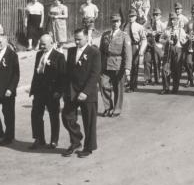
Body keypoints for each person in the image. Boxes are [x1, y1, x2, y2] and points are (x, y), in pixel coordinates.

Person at [61, 28, 101, 158]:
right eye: (75, 39)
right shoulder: (71, 51)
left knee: (89, 121)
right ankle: (76, 140)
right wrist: (65, 90)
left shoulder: (94, 52)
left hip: (87, 92)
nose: (77, 42)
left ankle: (88, 147)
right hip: (72, 90)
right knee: (67, 116)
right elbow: (68, 72)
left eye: (79, 39)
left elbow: (95, 74)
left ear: (86, 38)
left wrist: (85, 92)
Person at [29, 34, 66, 149]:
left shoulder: (59, 56)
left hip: (52, 92)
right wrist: (33, 89)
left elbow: (62, 76)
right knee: (36, 115)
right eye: (40, 43)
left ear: (51, 43)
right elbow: (36, 73)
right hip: (39, 91)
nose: (42, 46)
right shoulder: (39, 54)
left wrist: (59, 91)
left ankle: (54, 140)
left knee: (53, 116)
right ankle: (39, 138)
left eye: (44, 44)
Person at [99, 14, 132, 117]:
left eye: (117, 21)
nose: (115, 23)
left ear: (120, 23)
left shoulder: (124, 36)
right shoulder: (105, 34)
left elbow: (128, 53)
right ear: (111, 22)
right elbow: (100, 51)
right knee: (103, 85)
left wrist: (127, 68)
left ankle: (117, 109)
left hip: (118, 65)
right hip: (105, 64)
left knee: (118, 88)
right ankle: (108, 108)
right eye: (113, 21)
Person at [160, 12, 188, 94]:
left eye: (174, 20)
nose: (172, 21)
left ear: (177, 20)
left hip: (177, 51)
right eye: (171, 19)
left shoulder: (181, 30)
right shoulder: (167, 30)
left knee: (176, 70)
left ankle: (175, 88)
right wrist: (166, 41)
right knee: (165, 69)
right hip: (168, 50)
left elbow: (184, 41)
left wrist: (180, 40)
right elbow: (160, 39)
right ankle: (166, 88)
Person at [123, 9, 147, 93]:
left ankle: (133, 85)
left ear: (136, 17)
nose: (131, 18)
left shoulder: (139, 27)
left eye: (132, 16)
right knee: (126, 65)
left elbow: (144, 39)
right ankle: (127, 82)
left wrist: (141, 50)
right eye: (129, 16)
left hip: (135, 46)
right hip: (126, 47)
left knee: (134, 66)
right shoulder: (125, 25)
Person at [144, 8, 166, 85]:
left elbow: (165, 35)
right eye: (154, 15)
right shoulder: (148, 23)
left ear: (160, 16)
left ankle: (157, 79)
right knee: (147, 61)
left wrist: (158, 35)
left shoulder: (162, 25)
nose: (155, 16)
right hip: (149, 44)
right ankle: (148, 78)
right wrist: (149, 32)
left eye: (157, 15)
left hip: (157, 44)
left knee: (157, 62)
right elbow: (143, 31)